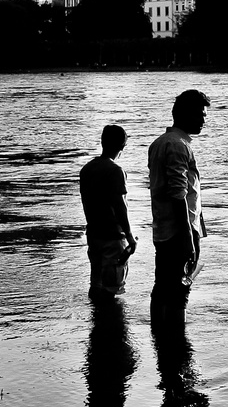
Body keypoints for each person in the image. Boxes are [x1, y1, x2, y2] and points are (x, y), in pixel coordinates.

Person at [147, 89, 209, 313]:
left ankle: (162, 336)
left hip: (165, 227)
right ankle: (176, 340)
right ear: (186, 114)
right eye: (200, 114)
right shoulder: (178, 145)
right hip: (178, 232)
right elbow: (178, 194)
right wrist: (188, 238)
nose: (204, 119)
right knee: (179, 290)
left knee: (163, 286)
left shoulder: (162, 143)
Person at [79, 124, 136, 297]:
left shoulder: (87, 169)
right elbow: (120, 206)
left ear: (102, 142)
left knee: (96, 284)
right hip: (112, 237)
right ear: (122, 146)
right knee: (112, 287)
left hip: (94, 235)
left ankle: (96, 321)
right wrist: (130, 236)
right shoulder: (116, 171)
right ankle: (111, 323)